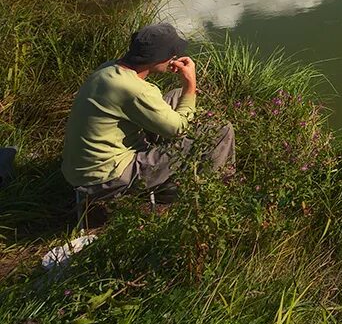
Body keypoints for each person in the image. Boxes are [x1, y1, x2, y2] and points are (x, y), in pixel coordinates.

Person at [62, 23, 234, 203]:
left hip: (80, 171)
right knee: (222, 130)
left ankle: (180, 173)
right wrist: (190, 85)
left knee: (176, 95)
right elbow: (179, 129)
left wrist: (182, 91)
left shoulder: (108, 69)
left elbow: (140, 99)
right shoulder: (135, 90)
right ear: (157, 59)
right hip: (107, 180)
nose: (173, 58)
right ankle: (212, 192)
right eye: (171, 55)